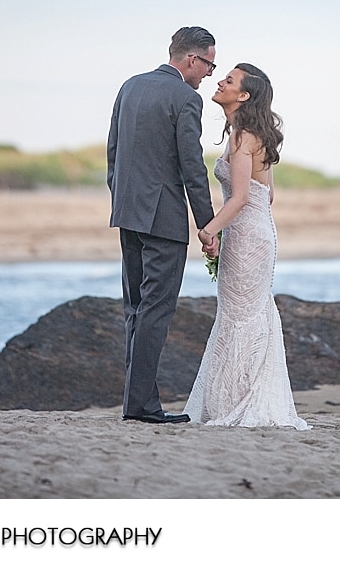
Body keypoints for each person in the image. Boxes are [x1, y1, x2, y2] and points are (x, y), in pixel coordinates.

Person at [183, 63, 310, 429]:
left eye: (229, 80)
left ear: (243, 96)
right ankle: (238, 399)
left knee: (240, 318)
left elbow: (240, 198)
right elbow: (266, 195)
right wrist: (227, 233)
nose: (220, 81)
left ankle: (236, 403)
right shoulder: (252, 133)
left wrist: (210, 232)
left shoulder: (243, 137)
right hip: (254, 234)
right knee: (244, 316)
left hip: (247, 236)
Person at [107, 26, 220, 425]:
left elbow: (113, 153)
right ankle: (141, 406)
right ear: (192, 59)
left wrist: (120, 197)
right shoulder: (185, 99)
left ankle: (137, 402)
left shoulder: (130, 86)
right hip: (164, 218)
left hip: (127, 212)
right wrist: (208, 227)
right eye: (209, 63)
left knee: (136, 308)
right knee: (156, 310)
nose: (210, 73)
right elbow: (192, 167)